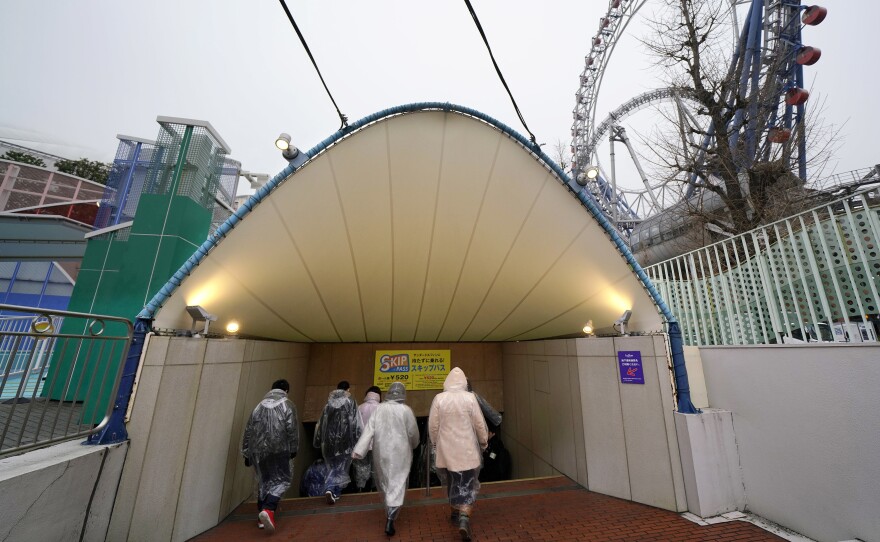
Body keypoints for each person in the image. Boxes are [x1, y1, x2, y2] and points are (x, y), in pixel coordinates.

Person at [429, 367, 488, 542]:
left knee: (452, 481)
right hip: (467, 449)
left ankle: (455, 511)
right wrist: (483, 441)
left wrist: (434, 443)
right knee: (468, 483)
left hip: (447, 451)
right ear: (463, 382)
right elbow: (479, 423)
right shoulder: (470, 398)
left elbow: (433, 425)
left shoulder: (439, 398)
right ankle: (464, 516)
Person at [352, 382, 419, 536]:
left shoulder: (380, 409)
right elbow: (413, 433)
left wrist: (359, 450)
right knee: (398, 481)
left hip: (381, 451)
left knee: (386, 480)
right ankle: (391, 516)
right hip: (401, 452)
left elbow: (369, 429)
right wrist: (415, 444)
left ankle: (390, 510)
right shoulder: (406, 410)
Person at [241, 379, 299, 534]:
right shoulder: (287, 404)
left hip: (259, 451)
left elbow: (249, 430)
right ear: (286, 390)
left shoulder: (259, 406)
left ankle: (261, 517)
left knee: (264, 481)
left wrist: (246, 452)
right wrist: (293, 448)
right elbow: (291, 428)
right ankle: (269, 509)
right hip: (280, 450)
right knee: (283, 480)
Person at [314, 380, 360, 504]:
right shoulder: (351, 402)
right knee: (341, 467)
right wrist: (357, 439)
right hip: (345, 441)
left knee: (333, 466)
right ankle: (332, 489)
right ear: (348, 390)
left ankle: (333, 491)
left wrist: (318, 441)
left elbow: (321, 424)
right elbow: (356, 423)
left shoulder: (328, 404)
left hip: (329, 442)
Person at [353, 385, 382, 491]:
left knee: (361, 467)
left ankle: (361, 489)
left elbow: (355, 427)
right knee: (376, 468)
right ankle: (374, 489)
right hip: (377, 445)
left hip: (362, 444)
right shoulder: (381, 408)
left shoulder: (360, 407)